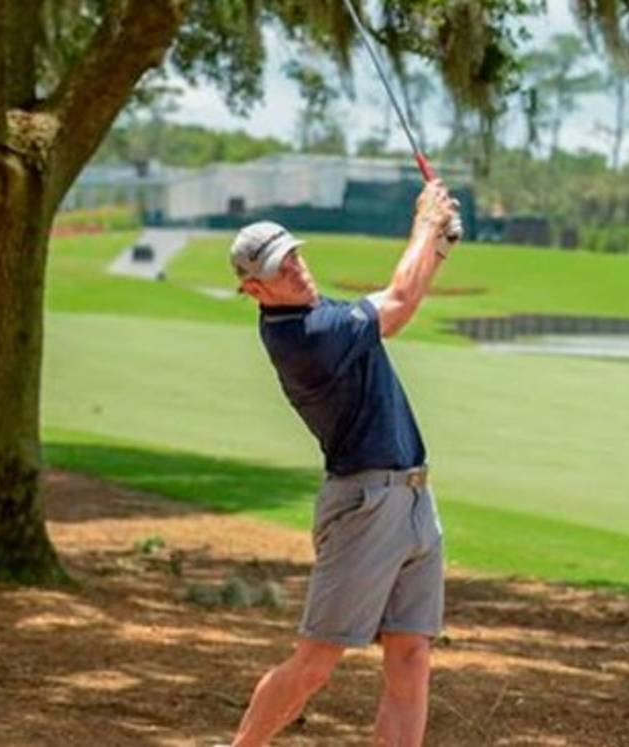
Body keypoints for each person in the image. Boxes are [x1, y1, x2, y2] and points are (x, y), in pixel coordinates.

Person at [226, 181, 462, 746]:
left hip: (410, 497)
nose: (298, 270)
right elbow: (399, 305)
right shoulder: (306, 338)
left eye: (295, 256)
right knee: (315, 662)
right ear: (255, 289)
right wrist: (426, 223)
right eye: (281, 269)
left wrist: (438, 248)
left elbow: (397, 295)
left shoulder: (315, 310)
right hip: (365, 504)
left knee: (411, 653)